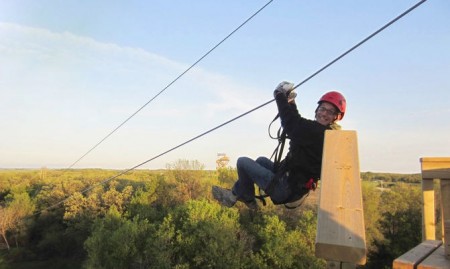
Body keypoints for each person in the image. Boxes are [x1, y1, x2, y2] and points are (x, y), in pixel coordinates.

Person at [212, 81, 346, 210]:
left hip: (286, 188)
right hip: (291, 182)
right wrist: (291, 101)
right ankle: (244, 194)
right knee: (261, 161)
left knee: (242, 162)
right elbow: (297, 124)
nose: (324, 113)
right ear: (317, 109)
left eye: (330, 112)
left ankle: (243, 196)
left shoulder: (319, 133)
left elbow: (291, 124)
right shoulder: (322, 132)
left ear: (336, 117)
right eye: (322, 109)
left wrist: (279, 96)